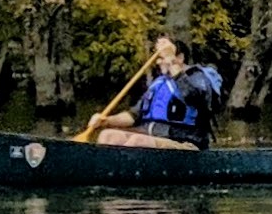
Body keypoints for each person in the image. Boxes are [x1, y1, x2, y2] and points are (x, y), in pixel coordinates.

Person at [87, 35, 222, 148]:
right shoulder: (160, 83)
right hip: (152, 137)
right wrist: (106, 121)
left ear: (180, 58)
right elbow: (134, 115)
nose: (158, 62)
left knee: (138, 142)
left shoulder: (197, 77)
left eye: (162, 57)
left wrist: (172, 62)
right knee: (108, 136)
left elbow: (197, 98)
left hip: (186, 142)